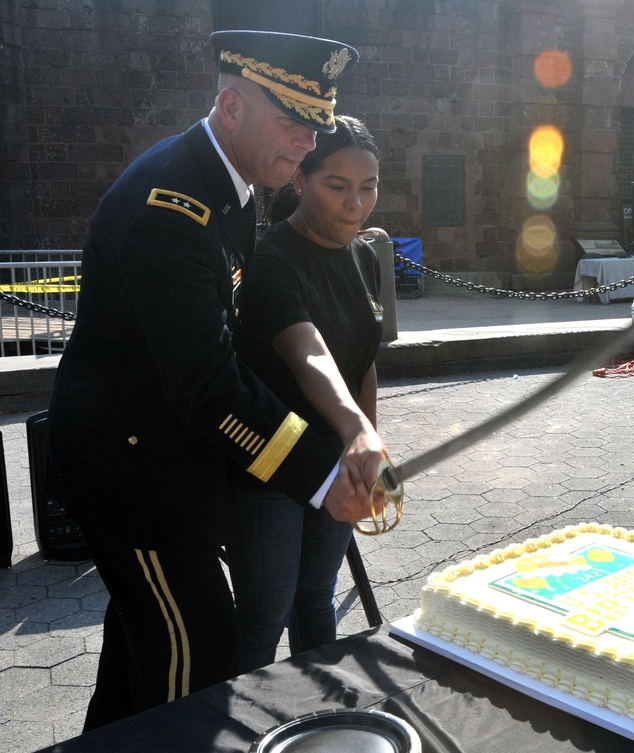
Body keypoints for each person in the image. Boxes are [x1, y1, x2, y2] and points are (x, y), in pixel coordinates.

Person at [45, 30, 383, 731]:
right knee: (195, 671)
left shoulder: (226, 185)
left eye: (314, 125)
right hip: (134, 475)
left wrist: (349, 431)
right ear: (231, 106)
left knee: (141, 663)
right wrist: (323, 474)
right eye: (291, 123)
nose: (304, 143)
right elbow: (206, 383)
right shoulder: (174, 206)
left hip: (165, 465)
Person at [224, 116, 387, 673]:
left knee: (317, 597)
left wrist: (369, 443)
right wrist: (355, 431)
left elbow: (364, 358)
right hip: (276, 456)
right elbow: (308, 352)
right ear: (300, 180)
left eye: (368, 188)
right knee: (264, 615)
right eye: (337, 186)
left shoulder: (365, 255)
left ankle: (318, 720)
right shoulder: (273, 260)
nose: (356, 205)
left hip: (337, 460)